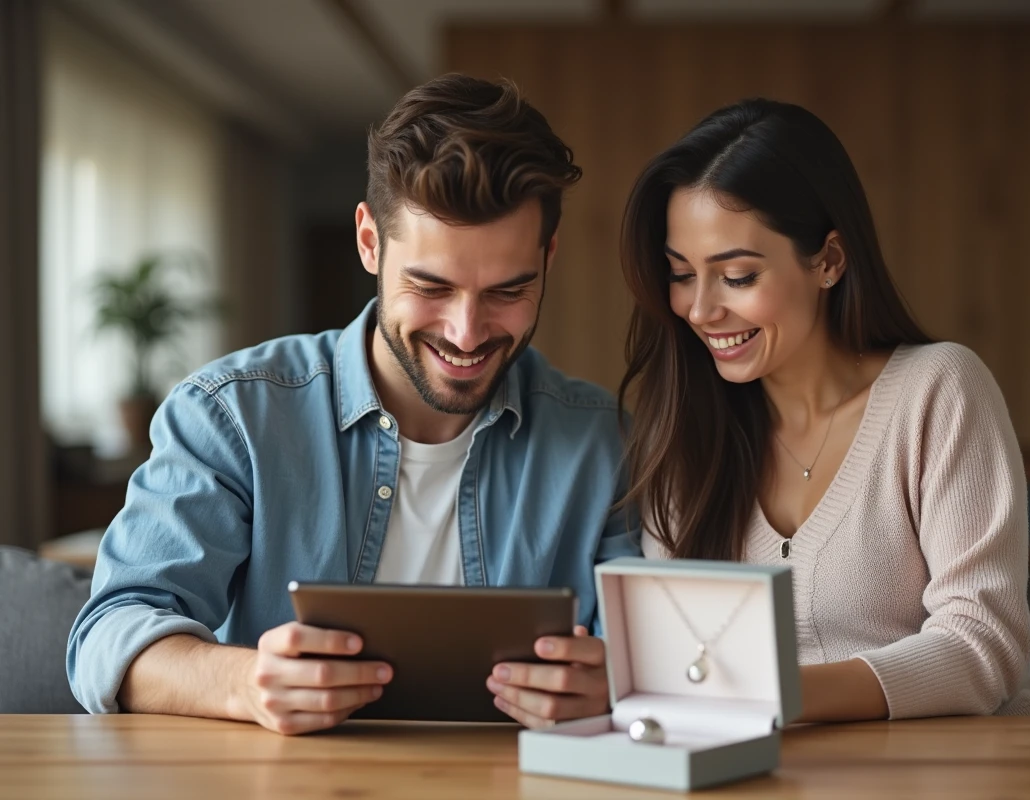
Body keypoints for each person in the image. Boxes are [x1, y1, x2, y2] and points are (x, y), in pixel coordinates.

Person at [67, 75, 637, 734]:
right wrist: (245, 684)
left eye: (509, 290)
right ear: (370, 242)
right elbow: (107, 636)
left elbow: (658, 657)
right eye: (432, 286)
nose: (467, 332)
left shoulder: (605, 441)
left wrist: (618, 685)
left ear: (549, 256)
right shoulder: (232, 418)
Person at [618, 98, 1030, 721]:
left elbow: (982, 645)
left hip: (969, 770)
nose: (699, 310)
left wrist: (776, 695)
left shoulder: (938, 391)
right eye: (681, 274)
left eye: (737, 276)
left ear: (828, 260)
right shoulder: (686, 435)